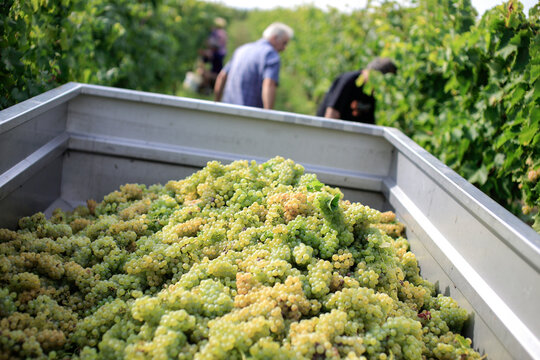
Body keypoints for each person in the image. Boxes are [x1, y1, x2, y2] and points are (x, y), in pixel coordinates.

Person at [214, 22, 294, 109]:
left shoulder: (242, 49)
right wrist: (268, 115)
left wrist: (217, 104)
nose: (284, 48)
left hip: (227, 108)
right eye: (284, 43)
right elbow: (269, 84)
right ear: (274, 38)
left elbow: (222, 76)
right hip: (248, 114)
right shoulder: (271, 54)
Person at [316, 57, 397, 124]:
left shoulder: (371, 90)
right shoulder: (348, 81)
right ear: (374, 74)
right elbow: (331, 115)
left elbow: (368, 122)